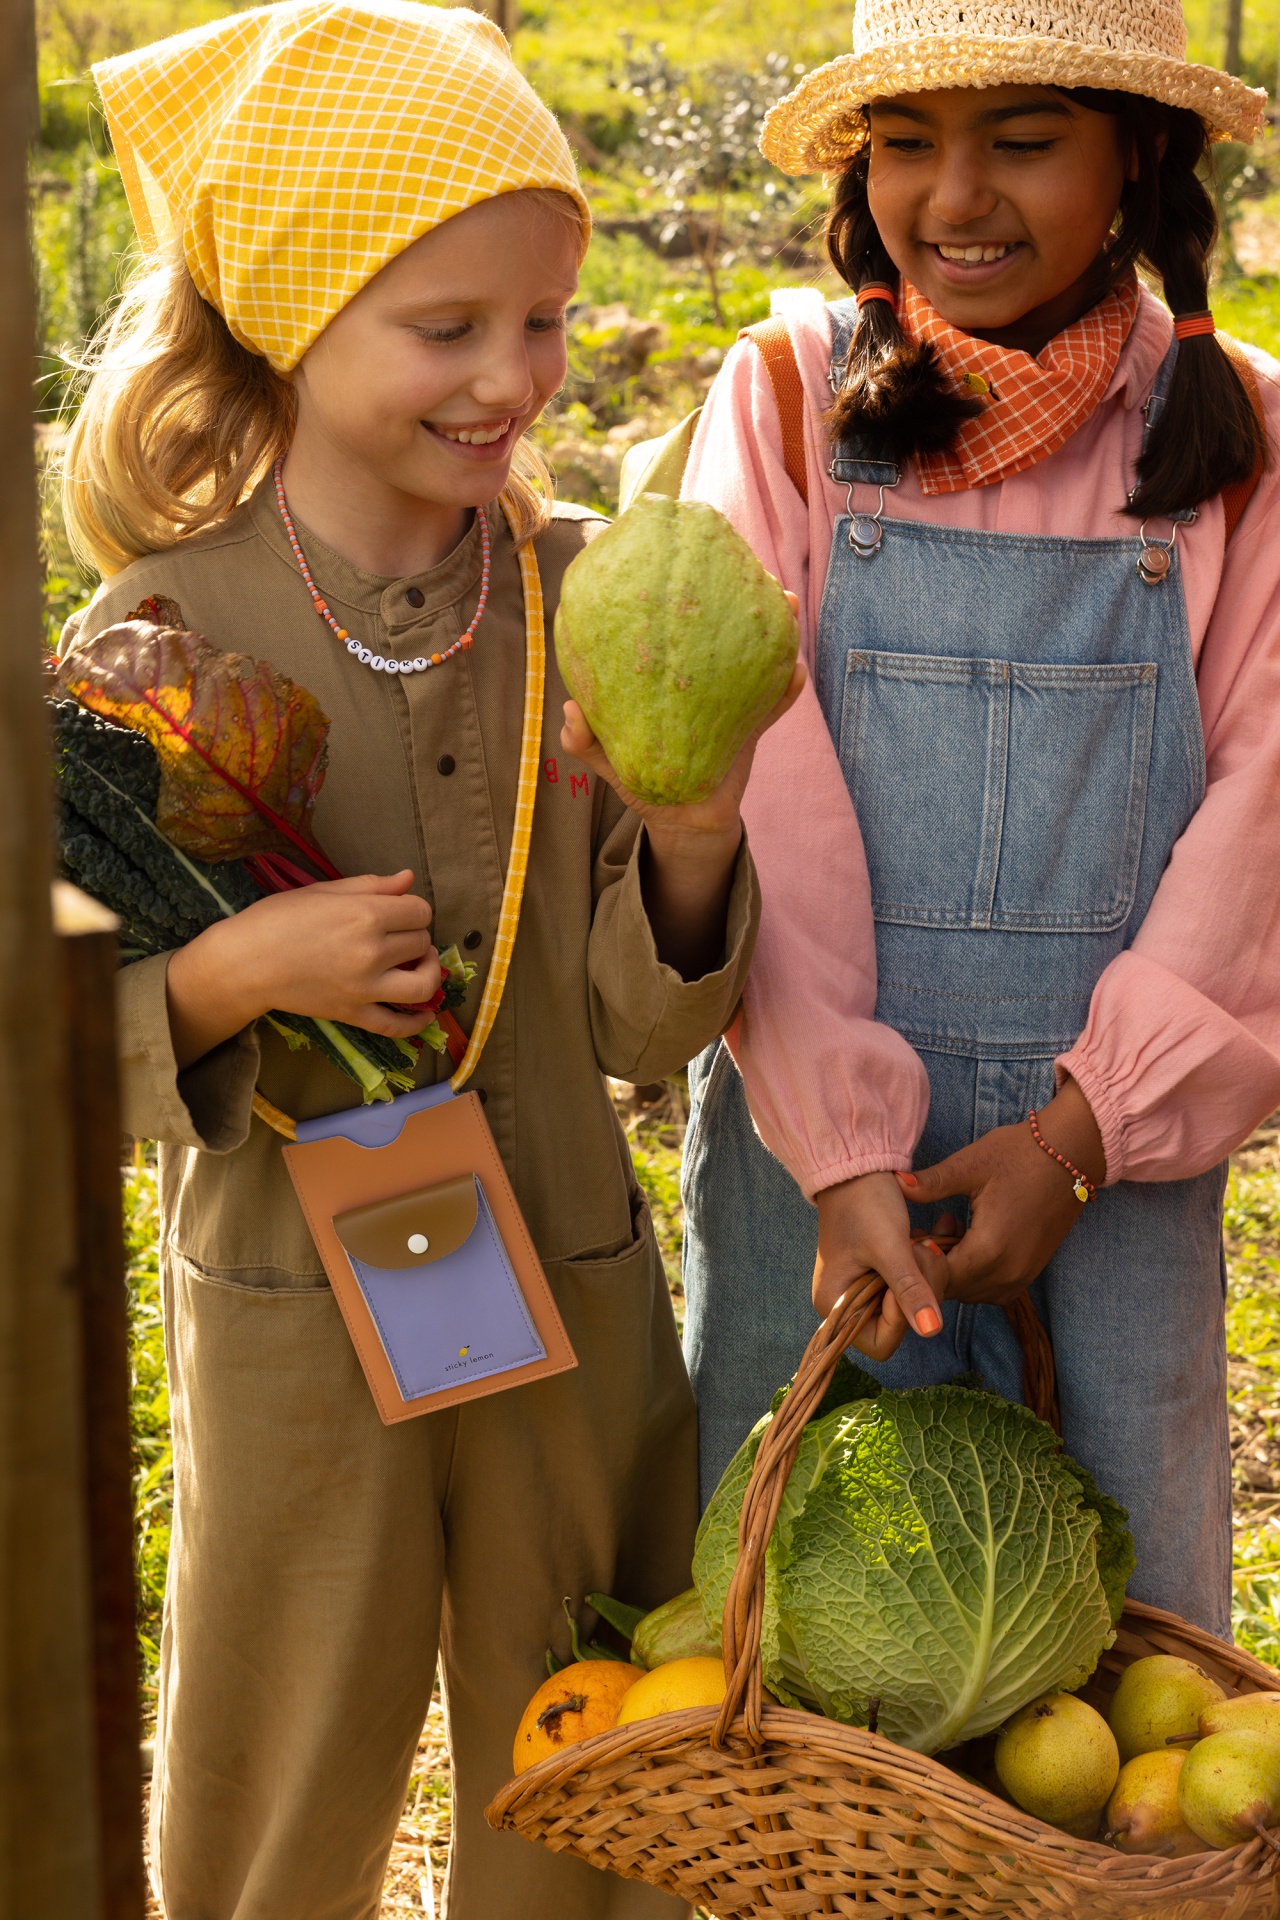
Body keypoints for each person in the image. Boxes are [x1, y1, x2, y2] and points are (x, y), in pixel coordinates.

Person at [58, 7, 797, 1915]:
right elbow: (55, 1039)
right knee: (279, 1745)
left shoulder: (586, 595)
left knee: (584, 1758)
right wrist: (236, 974)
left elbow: (649, 1024)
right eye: (445, 329)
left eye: (541, 323)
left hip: (562, 1269)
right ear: (297, 323)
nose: (512, 381)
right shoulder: (154, 645)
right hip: (297, 1307)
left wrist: (695, 830)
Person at [680, 0, 1279, 1642]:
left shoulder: (1243, 436)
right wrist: (842, 1144)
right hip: (808, 1149)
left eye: (1023, 140)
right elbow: (756, 775)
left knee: (1119, 1652)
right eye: (907, 144)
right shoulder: (788, 399)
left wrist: (1079, 1138)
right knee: (801, 1638)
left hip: (1115, 1161)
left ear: (1138, 154)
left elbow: (1266, 818)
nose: (956, 197)